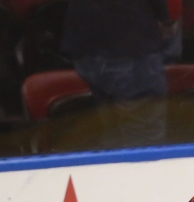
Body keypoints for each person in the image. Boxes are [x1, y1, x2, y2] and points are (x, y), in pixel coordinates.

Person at [62, 0, 172, 147]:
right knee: (143, 140)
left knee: (114, 134)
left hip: (89, 42)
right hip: (128, 44)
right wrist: (165, 20)